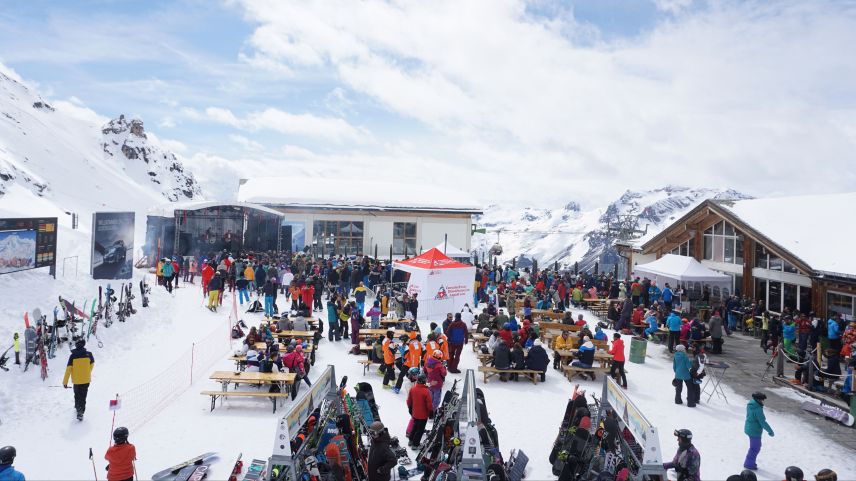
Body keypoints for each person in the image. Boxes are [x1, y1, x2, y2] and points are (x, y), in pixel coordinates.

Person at [63, 338, 95, 420]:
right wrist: (87, 372)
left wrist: (65, 382)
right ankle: (80, 411)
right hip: (86, 379)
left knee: (77, 395)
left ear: (76, 345)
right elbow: (92, 364)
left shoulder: (73, 356)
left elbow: (68, 369)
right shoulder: (89, 354)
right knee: (83, 396)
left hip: (76, 380)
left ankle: (78, 409)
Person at [743, 392, 774, 471]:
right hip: (754, 431)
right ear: (758, 399)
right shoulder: (758, 409)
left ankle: (749, 462)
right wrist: (770, 431)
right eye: (762, 400)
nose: (762, 401)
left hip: (749, 427)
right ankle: (749, 464)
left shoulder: (750, 404)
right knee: (755, 448)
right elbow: (762, 422)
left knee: (754, 447)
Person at [406, 373, 433, 448]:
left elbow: (409, 401)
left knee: (415, 426)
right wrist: (431, 412)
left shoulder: (413, 389)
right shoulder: (426, 391)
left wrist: (410, 409)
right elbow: (429, 404)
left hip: (415, 413)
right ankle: (415, 444)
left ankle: (411, 440)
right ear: (424, 381)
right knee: (420, 430)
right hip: (423, 415)